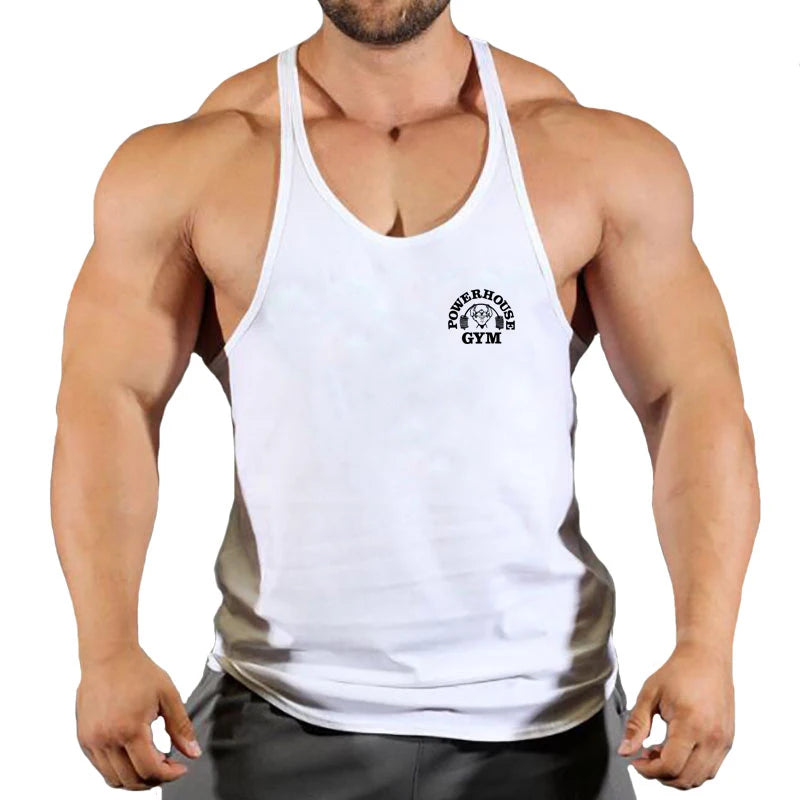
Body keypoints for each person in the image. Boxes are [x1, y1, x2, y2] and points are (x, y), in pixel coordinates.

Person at [50, 1, 760, 797]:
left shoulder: (587, 155)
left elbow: (690, 397)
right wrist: (106, 650)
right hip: (273, 711)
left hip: (548, 722)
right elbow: (107, 401)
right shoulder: (197, 164)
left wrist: (706, 647)